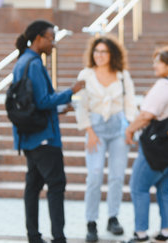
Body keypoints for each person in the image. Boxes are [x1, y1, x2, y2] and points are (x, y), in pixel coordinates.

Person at [12, 20, 85, 243]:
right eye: (51, 39)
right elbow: (42, 101)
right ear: (38, 39)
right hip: (44, 138)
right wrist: (71, 91)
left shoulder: (22, 61)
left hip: (30, 136)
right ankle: (58, 237)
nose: (53, 44)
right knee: (56, 185)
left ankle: (33, 236)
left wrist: (60, 109)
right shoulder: (33, 63)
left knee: (33, 186)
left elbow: (33, 103)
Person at [74, 36, 137, 242]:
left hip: (119, 129)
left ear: (112, 55)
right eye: (96, 51)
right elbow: (81, 105)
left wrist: (130, 128)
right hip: (96, 130)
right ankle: (91, 222)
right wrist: (89, 131)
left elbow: (129, 103)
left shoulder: (122, 75)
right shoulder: (86, 74)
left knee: (117, 176)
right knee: (94, 175)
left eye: (104, 52)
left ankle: (113, 217)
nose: (99, 55)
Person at [125, 46, 168, 243]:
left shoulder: (163, 84)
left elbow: (147, 115)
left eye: (158, 61)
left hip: (156, 146)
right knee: (164, 188)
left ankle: (140, 233)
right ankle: (167, 232)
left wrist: (129, 130)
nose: (154, 65)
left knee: (138, 187)